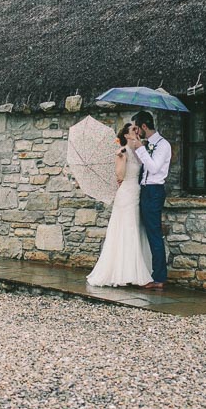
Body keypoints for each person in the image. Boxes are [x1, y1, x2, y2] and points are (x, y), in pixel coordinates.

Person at [86, 123, 153, 287]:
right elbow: (120, 175)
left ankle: (134, 271)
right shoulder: (123, 152)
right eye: (133, 130)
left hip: (137, 192)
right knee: (127, 230)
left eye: (137, 129)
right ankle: (128, 274)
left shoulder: (139, 149)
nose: (136, 131)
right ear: (126, 135)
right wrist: (120, 159)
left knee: (136, 229)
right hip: (126, 194)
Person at [126, 110, 171, 289]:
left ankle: (159, 278)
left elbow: (153, 168)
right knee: (143, 232)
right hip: (144, 191)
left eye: (137, 128)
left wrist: (140, 148)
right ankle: (142, 270)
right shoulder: (147, 144)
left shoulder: (163, 145)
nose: (136, 132)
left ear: (144, 126)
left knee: (154, 234)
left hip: (154, 191)